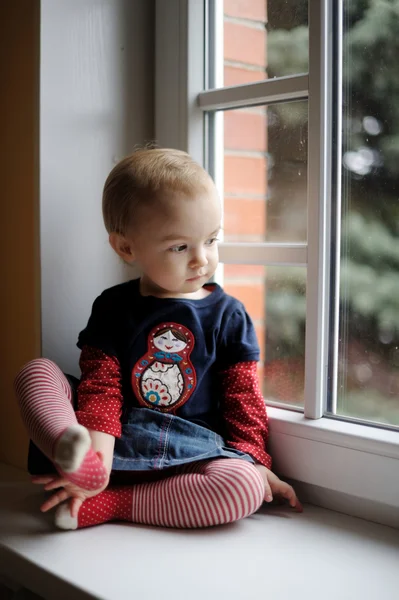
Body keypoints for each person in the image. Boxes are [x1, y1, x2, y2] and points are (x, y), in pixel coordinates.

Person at [14, 148, 302, 531]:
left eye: (211, 240)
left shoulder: (229, 315)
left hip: (187, 453)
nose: (202, 259)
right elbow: (101, 387)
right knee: (37, 371)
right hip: (107, 439)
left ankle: (112, 504)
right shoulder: (114, 306)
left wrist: (254, 460)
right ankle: (69, 451)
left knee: (244, 487)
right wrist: (97, 454)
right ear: (126, 247)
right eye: (180, 247)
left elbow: (242, 401)